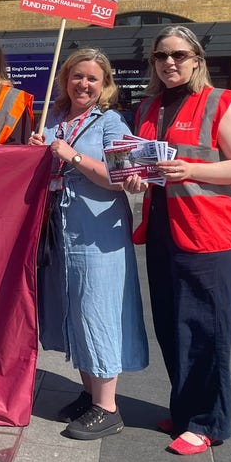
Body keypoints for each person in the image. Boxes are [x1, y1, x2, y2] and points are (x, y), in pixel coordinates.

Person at [121, 25, 231, 456]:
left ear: (196, 59)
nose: (169, 63)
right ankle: (183, 411)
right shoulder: (148, 106)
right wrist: (138, 179)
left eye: (179, 55)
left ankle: (208, 422)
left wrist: (191, 170)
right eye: (161, 56)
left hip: (208, 232)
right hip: (163, 226)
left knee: (206, 330)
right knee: (172, 325)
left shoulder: (218, 102)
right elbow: (143, 163)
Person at [28, 49, 148, 440]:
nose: (84, 84)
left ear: (105, 85)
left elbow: (120, 178)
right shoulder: (55, 119)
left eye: (92, 79)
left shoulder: (110, 122)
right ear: (65, 78)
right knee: (74, 310)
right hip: (60, 230)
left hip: (99, 233)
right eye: (77, 76)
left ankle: (108, 407)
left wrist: (72, 154)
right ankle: (88, 392)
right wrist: (35, 152)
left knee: (97, 310)